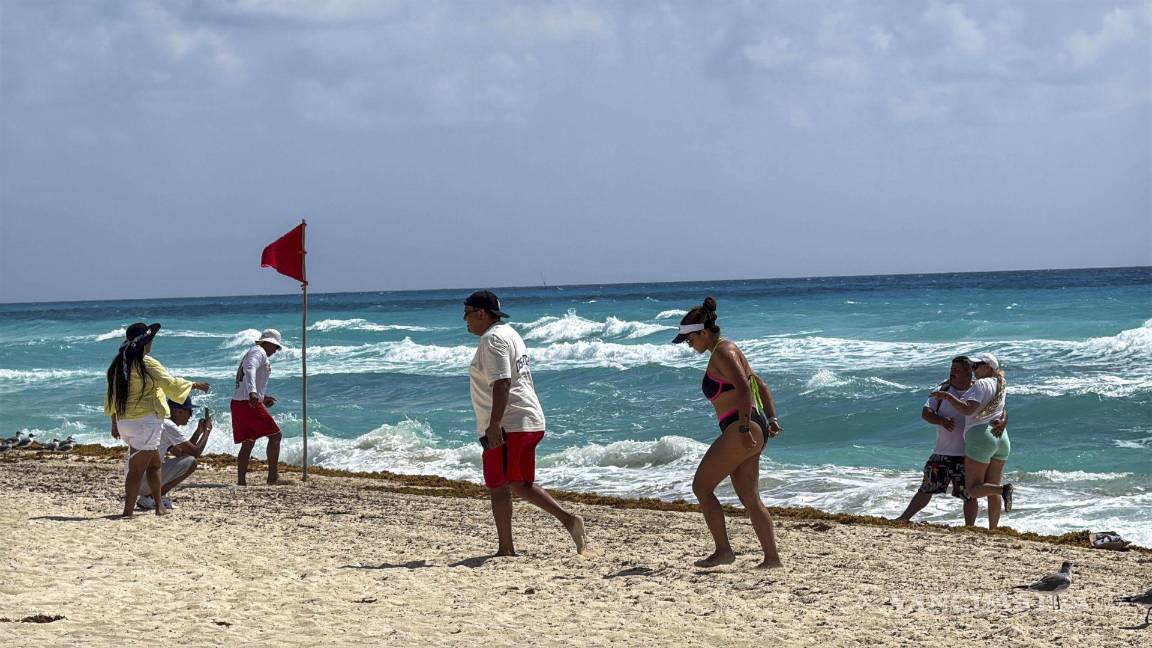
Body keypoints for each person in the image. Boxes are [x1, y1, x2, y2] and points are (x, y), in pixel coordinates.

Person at [464, 290, 589, 557]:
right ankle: (569, 520)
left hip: (510, 424)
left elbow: (502, 382)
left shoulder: (492, 339)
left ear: (482, 313)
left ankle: (505, 549)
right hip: (528, 420)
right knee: (520, 484)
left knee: (498, 486)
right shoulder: (510, 333)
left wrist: (495, 423)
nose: (465, 319)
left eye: (467, 312)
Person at [673, 297, 783, 569]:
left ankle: (724, 551)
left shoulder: (723, 352)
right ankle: (772, 559)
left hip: (741, 427)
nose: (688, 344)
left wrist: (745, 428)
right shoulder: (728, 350)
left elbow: (746, 390)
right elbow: (759, 383)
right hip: (751, 425)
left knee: (701, 487)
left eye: (689, 338)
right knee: (750, 497)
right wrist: (771, 418)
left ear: (703, 332)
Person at [105, 322, 210, 517]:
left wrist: (113, 422)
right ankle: (127, 512)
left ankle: (159, 506)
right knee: (137, 469)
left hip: (125, 421)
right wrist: (194, 384)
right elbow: (169, 384)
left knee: (154, 464)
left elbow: (112, 395)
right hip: (145, 421)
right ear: (147, 342)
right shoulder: (146, 362)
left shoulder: (119, 364)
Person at [932, 352, 1013, 526]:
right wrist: (1005, 420)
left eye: (977, 366)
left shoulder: (981, 384)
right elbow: (1001, 409)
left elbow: (968, 410)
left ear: (989, 367)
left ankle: (1004, 489)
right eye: (973, 366)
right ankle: (993, 529)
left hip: (981, 437)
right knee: (992, 486)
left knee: (973, 489)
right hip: (1001, 437)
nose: (974, 369)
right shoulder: (1001, 383)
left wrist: (947, 397)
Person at [896, 356, 979, 525]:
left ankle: (970, 527)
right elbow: (926, 413)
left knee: (969, 495)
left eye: (957, 370)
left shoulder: (977, 391)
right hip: (942, 453)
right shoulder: (943, 389)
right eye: (951, 369)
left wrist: (1002, 421)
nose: (952, 373)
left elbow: (997, 408)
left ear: (968, 373)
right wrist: (942, 421)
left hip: (968, 454)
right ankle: (904, 518)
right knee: (926, 488)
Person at [134, 397, 214, 511]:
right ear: (179, 411)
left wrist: (198, 432)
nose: (190, 416)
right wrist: (207, 431)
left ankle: (150, 497)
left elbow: (181, 453)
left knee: (188, 460)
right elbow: (195, 453)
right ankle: (152, 497)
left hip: (133, 480)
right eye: (189, 411)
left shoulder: (161, 422)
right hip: (145, 479)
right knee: (192, 463)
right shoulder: (169, 425)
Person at [231, 329, 285, 486]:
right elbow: (250, 370)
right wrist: (253, 393)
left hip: (239, 402)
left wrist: (262, 396)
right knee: (275, 435)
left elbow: (248, 377)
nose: (275, 351)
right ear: (269, 343)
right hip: (247, 403)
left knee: (248, 441)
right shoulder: (258, 352)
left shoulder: (255, 352)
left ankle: (241, 481)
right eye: (275, 347)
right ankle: (273, 477)